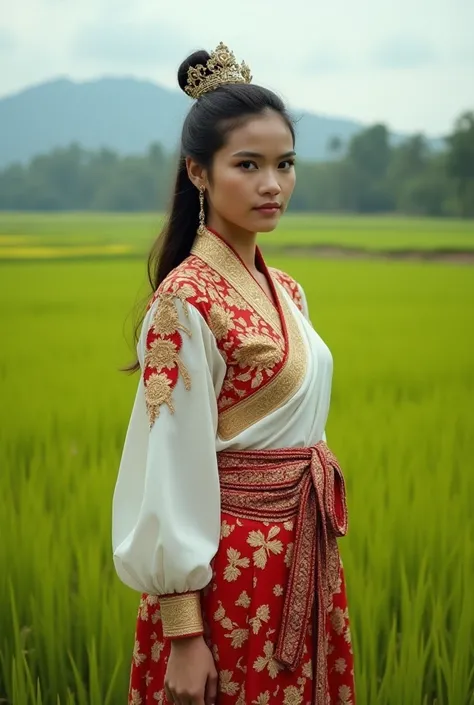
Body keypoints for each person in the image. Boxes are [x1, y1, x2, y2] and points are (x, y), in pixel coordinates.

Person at [112, 42, 355, 705]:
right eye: (248, 165)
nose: (272, 184)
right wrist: (184, 634)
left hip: (301, 549)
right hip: (231, 565)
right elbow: (165, 463)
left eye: (285, 164)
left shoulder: (290, 291)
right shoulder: (183, 302)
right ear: (198, 171)